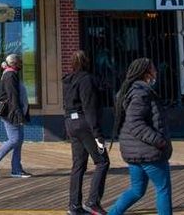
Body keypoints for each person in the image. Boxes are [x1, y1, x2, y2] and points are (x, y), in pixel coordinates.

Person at [108, 58, 173, 215]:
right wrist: (159, 141)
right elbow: (135, 122)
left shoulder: (130, 91)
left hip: (134, 151)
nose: (156, 71)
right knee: (163, 189)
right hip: (149, 151)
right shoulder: (141, 93)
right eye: (153, 68)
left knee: (137, 190)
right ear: (146, 73)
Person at [63, 51, 109, 215]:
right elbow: (89, 107)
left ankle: (74, 205)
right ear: (87, 62)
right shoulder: (86, 80)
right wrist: (98, 134)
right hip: (84, 124)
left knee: (78, 165)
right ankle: (93, 202)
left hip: (71, 123)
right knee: (102, 161)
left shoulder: (68, 81)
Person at [0, 53, 32, 178]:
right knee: (14, 140)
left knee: (18, 140)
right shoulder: (10, 75)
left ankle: (16, 169)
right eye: (19, 62)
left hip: (14, 112)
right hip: (11, 113)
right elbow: (13, 97)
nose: (21, 64)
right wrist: (18, 114)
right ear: (14, 63)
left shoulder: (12, 74)